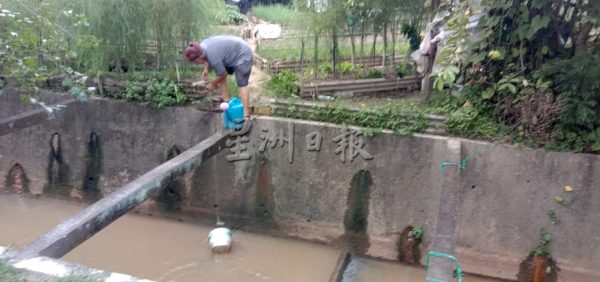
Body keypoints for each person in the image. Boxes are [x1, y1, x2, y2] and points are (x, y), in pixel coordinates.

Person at [184, 35, 253, 121]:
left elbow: (223, 73)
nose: (196, 64)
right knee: (219, 71)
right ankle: (226, 101)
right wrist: (206, 69)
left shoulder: (212, 55)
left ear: (199, 57)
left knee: (242, 83)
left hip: (242, 54)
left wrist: (213, 84)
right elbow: (209, 59)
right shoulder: (202, 48)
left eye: (195, 62)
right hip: (232, 51)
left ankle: (246, 115)